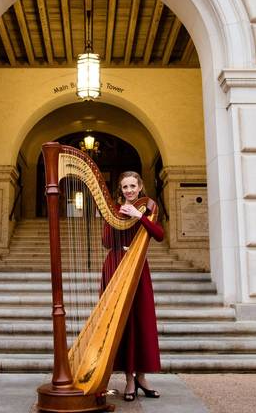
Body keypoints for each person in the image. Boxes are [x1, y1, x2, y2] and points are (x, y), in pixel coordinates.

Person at [100, 171, 164, 403]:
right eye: (124, 187)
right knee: (122, 322)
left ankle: (142, 377)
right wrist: (111, 219)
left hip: (138, 268)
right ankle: (129, 379)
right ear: (121, 190)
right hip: (116, 267)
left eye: (132, 186)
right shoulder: (115, 211)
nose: (128, 190)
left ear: (140, 187)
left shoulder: (149, 209)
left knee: (142, 320)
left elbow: (159, 235)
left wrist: (139, 216)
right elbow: (107, 242)